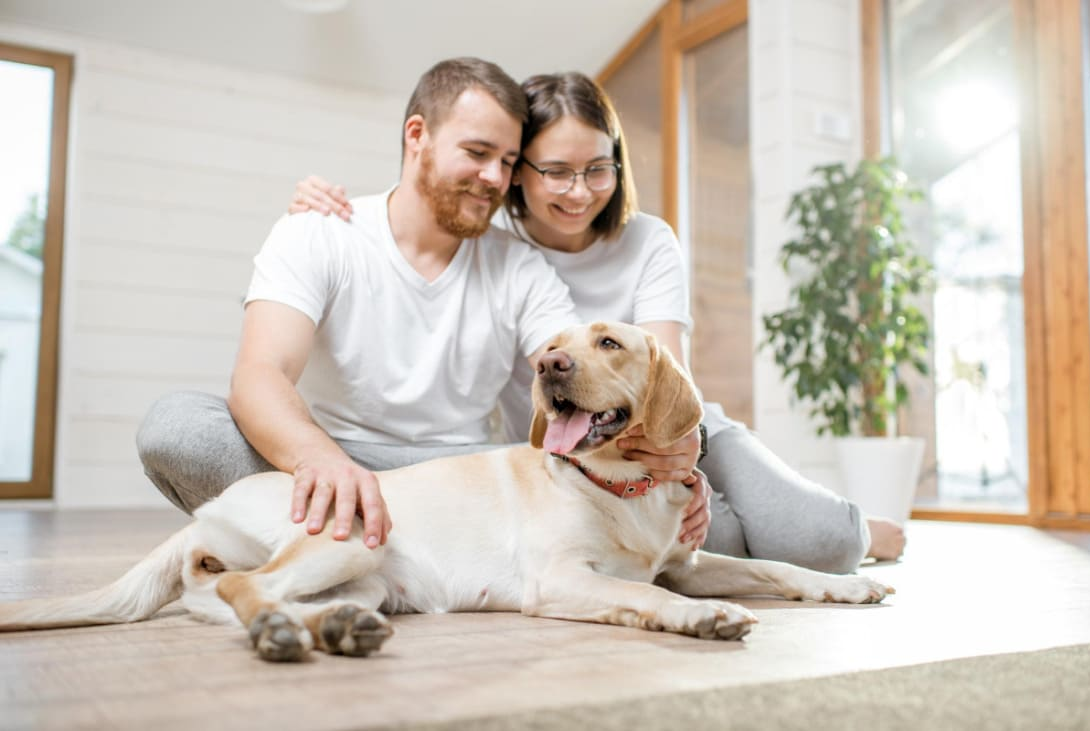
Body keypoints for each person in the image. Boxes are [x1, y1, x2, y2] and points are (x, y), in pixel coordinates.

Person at [289, 72, 905, 571]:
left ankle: (856, 526)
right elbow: (422, 206)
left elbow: (665, 373)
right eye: (554, 170)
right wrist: (321, 204)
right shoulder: (492, 242)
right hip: (576, 452)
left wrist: (683, 465)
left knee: (823, 544)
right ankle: (758, 529)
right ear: (517, 172)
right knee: (687, 552)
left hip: (676, 426)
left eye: (598, 168)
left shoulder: (648, 242)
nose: (579, 192)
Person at [136, 57, 707, 554]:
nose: (493, 177)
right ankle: (377, 538)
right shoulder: (320, 231)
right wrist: (323, 462)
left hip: (468, 477)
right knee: (179, 427)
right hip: (344, 460)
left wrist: (655, 466)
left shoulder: (519, 264)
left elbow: (578, 370)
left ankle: (352, 547)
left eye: (508, 161)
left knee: (634, 512)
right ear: (417, 135)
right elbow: (260, 374)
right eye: (478, 153)